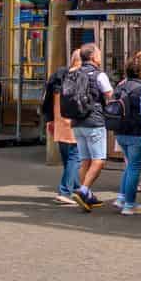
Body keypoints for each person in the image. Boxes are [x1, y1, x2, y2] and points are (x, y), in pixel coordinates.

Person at [65, 42, 117, 212]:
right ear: (93, 57)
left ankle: (86, 195)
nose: (101, 56)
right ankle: (83, 190)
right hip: (94, 122)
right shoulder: (99, 75)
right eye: (99, 54)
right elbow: (111, 96)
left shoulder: (74, 73)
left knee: (85, 160)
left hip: (77, 122)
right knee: (99, 160)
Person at [111, 52, 141, 216]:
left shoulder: (121, 85)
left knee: (129, 165)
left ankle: (122, 198)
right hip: (137, 132)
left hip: (120, 130)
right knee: (134, 167)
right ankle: (130, 204)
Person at [42, 48, 84, 205]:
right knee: (75, 156)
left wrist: (49, 119)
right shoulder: (80, 76)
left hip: (59, 121)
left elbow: (47, 99)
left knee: (68, 157)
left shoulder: (57, 75)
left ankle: (76, 188)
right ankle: (65, 191)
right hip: (73, 122)